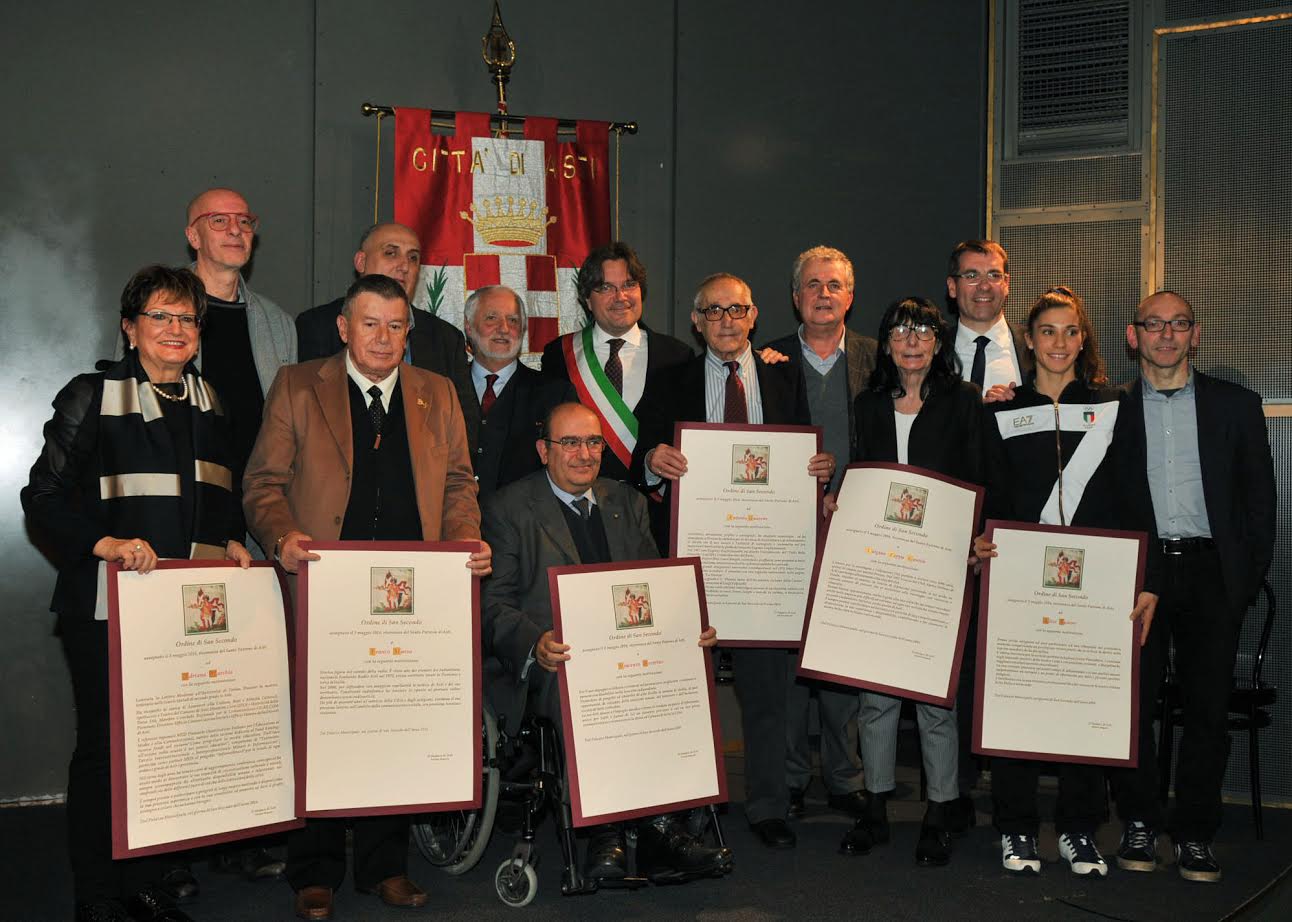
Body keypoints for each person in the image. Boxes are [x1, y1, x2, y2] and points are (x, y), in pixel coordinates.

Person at [242, 274, 491, 921]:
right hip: (325, 587)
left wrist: (465, 541)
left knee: (395, 724)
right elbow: (262, 485)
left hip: (413, 593)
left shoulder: (437, 392)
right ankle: (314, 868)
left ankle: (386, 866)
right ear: (344, 328)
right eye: (370, 323)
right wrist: (283, 535)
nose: (383, 337)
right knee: (319, 726)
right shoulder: (298, 385)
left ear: (409, 332)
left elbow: (461, 484)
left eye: (396, 325)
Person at [22, 265, 253, 922]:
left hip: (183, 612)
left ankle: (144, 883)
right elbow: (41, 495)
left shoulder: (213, 402)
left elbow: (220, 498)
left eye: (186, 319)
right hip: (104, 606)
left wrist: (234, 539)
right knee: (103, 750)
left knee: (166, 747)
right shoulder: (91, 395)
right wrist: (103, 544)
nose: (176, 330)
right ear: (130, 328)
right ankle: (97, 895)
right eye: (160, 316)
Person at [481, 402, 733, 884]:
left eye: (593, 442)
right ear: (543, 450)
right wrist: (536, 643)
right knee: (576, 683)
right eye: (569, 443)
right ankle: (607, 832)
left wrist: (689, 626)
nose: (584, 454)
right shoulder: (508, 507)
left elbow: (655, 589)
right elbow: (494, 604)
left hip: (626, 651)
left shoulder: (626, 501)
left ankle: (663, 831)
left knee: (680, 674)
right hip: (558, 659)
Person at [640, 273, 835, 850]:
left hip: (765, 560)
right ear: (696, 322)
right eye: (714, 310)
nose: (727, 320)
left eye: (738, 309)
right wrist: (655, 459)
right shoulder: (669, 379)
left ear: (754, 317)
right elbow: (638, 457)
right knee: (685, 687)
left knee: (767, 688)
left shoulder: (783, 373)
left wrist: (819, 469)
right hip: (692, 557)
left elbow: (805, 450)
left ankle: (769, 805)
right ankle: (689, 805)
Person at [973, 286, 1159, 879]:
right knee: (1016, 702)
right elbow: (989, 493)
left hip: (1096, 582)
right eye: (1047, 331)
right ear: (1028, 340)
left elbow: (1136, 496)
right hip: (1020, 578)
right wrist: (978, 540)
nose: (1058, 342)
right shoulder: (1001, 411)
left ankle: (1080, 830)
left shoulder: (1115, 410)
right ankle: (1018, 827)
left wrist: (1145, 578)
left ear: (1083, 340)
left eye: (1069, 331)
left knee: (1084, 703)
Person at [1108, 291, 1276, 883]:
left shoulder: (1237, 406)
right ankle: (1138, 822)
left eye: (1178, 324)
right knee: (1133, 707)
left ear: (1194, 334)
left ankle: (1196, 833)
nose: (1166, 335)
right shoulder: (1113, 410)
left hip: (1212, 578)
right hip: (1141, 576)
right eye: (1154, 325)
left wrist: (1241, 584)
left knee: (1207, 710)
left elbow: (1260, 505)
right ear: (1135, 336)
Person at [830, 296, 990, 867]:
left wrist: (976, 541)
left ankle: (940, 811)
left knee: (933, 701)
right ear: (887, 343)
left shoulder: (963, 401)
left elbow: (978, 477)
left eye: (924, 330)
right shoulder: (869, 403)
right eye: (901, 330)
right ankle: (874, 809)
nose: (913, 340)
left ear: (939, 341)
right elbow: (863, 476)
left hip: (940, 567)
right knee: (874, 698)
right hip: (881, 563)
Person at [757, 246, 876, 821]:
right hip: (786, 533)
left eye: (834, 284)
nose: (823, 294)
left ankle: (845, 775)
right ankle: (790, 777)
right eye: (812, 284)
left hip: (856, 530)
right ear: (795, 297)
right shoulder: (766, 363)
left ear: (850, 295)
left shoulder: (879, 361)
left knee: (840, 657)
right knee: (786, 660)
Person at [541, 242, 693, 550]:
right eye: (606, 288)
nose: (620, 297)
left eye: (629, 285)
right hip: (582, 514)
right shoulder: (559, 354)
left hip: (654, 519)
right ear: (587, 298)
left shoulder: (678, 356)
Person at [295, 222, 479, 453]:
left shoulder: (445, 337)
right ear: (361, 262)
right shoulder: (317, 325)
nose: (404, 266)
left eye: (413, 258)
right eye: (390, 253)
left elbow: (465, 424)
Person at [464, 285, 573, 502]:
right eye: (491, 318)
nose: (504, 328)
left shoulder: (555, 395)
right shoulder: (442, 389)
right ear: (469, 327)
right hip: (450, 528)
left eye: (513, 320)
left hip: (527, 529)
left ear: (523, 330)